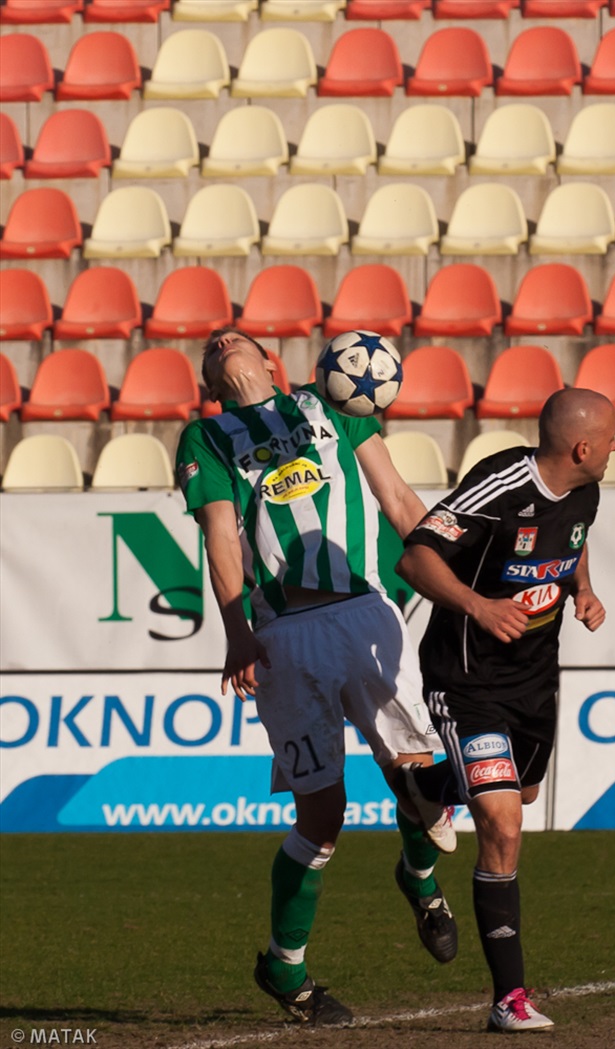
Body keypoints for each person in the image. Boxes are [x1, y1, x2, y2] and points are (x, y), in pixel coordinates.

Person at [176, 327, 457, 1028]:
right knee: (323, 816)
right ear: (211, 381)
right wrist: (237, 629)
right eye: (213, 345)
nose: (223, 342)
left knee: (420, 777)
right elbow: (218, 532)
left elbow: (397, 499)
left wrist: (460, 585)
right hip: (283, 635)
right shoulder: (205, 439)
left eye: (235, 336)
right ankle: (285, 967)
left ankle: (420, 879)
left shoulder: (335, 399)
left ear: (272, 361)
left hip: (364, 609)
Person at [396, 387, 615, 1033]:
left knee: (518, 795)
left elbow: (570, 544)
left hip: (534, 681)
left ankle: (423, 785)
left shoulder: (587, 489)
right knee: (502, 823)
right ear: (582, 447)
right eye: (609, 438)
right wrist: (479, 605)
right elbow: (415, 556)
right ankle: (509, 998)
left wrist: (583, 589)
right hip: (467, 681)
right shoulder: (498, 485)